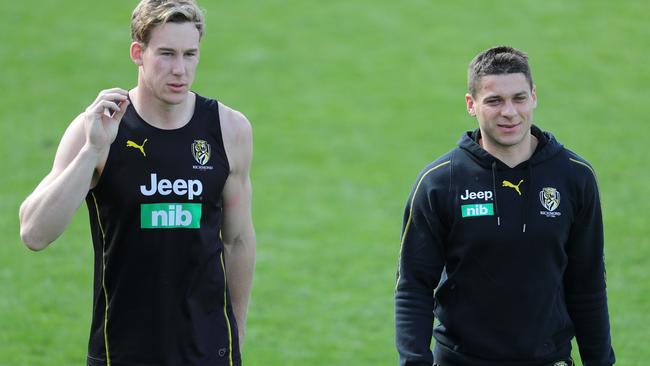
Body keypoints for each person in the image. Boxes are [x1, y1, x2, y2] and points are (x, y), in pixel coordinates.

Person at [19, 1, 255, 365]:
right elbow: (34, 234)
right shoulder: (97, 129)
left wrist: (236, 332)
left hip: (209, 352)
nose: (180, 69)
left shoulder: (229, 130)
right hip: (121, 352)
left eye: (190, 54)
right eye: (166, 54)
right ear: (138, 53)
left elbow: (237, 240)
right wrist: (92, 149)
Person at [394, 46, 615, 366]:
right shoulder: (440, 182)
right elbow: (413, 286)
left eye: (519, 98)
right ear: (471, 105)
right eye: (494, 101)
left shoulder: (574, 176)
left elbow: (588, 283)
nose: (509, 112)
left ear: (534, 97)